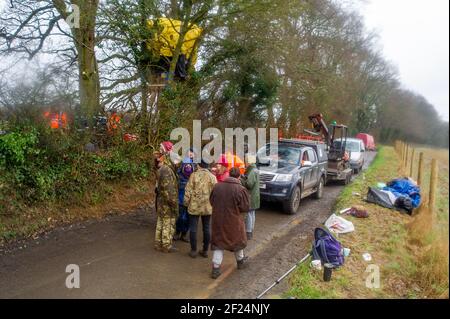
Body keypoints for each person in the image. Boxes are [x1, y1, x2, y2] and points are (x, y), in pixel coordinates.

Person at [209, 167, 250, 279]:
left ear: (229, 175)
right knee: (238, 241)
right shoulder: (241, 189)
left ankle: (216, 269)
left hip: (218, 220)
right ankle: (240, 262)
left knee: (219, 244)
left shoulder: (217, 186)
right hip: (234, 222)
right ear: (238, 176)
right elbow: (245, 207)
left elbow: (211, 201)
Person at [183, 160, 217, 258]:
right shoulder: (213, 177)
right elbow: (216, 193)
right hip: (208, 206)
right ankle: (205, 250)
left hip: (194, 205)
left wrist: (185, 203)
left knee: (193, 228)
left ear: (199, 165)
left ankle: (193, 250)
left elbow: (188, 190)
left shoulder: (193, 175)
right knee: (206, 228)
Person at [154, 150, 179, 253]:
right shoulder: (167, 171)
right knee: (168, 223)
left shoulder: (161, 169)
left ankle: (158, 243)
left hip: (161, 202)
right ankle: (166, 245)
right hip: (166, 203)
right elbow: (169, 191)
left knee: (160, 221)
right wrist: (174, 205)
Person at [174, 158, 194, 242]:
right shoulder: (178, 176)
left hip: (190, 201)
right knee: (180, 217)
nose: (188, 166)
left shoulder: (194, 177)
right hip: (180, 200)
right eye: (186, 164)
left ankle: (184, 234)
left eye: (189, 165)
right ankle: (177, 232)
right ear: (183, 166)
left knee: (188, 218)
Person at [240, 154, 260, 240]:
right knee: (252, 213)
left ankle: (248, 232)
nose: (245, 162)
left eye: (245, 160)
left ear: (249, 161)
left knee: (249, 214)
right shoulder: (255, 169)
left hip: (250, 196)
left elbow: (249, 184)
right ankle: (251, 230)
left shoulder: (252, 171)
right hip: (254, 196)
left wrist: (241, 179)